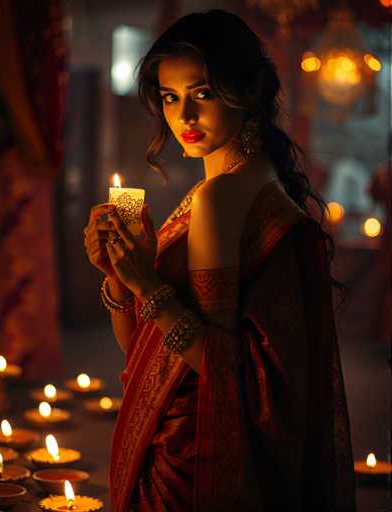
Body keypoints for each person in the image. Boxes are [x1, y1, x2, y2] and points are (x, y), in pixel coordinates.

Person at [83, 10, 356, 511]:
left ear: (247, 92)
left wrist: (147, 285)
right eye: (170, 97)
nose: (183, 117)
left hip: (193, 459)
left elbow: (222, 370)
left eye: (202, 94)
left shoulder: (219, 200)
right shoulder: (256, 183)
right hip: (188, 440)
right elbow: (142, 352)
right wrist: (120, 279)